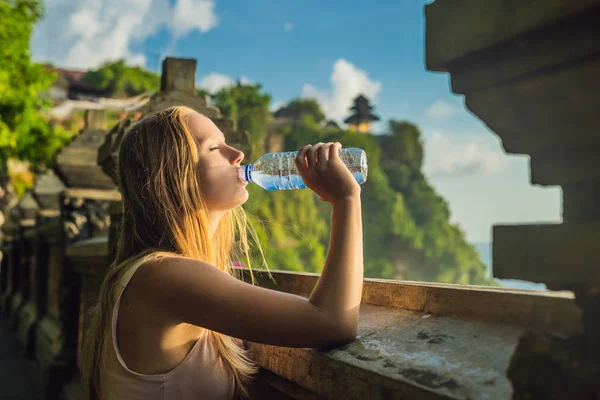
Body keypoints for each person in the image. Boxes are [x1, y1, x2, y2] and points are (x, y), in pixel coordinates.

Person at [80, 105, 364, 400]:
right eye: (214, 147)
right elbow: (333, 323)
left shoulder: (156, 274)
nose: (237, 154)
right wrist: (346, 200)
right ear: (174, 176)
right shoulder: (164, 276)